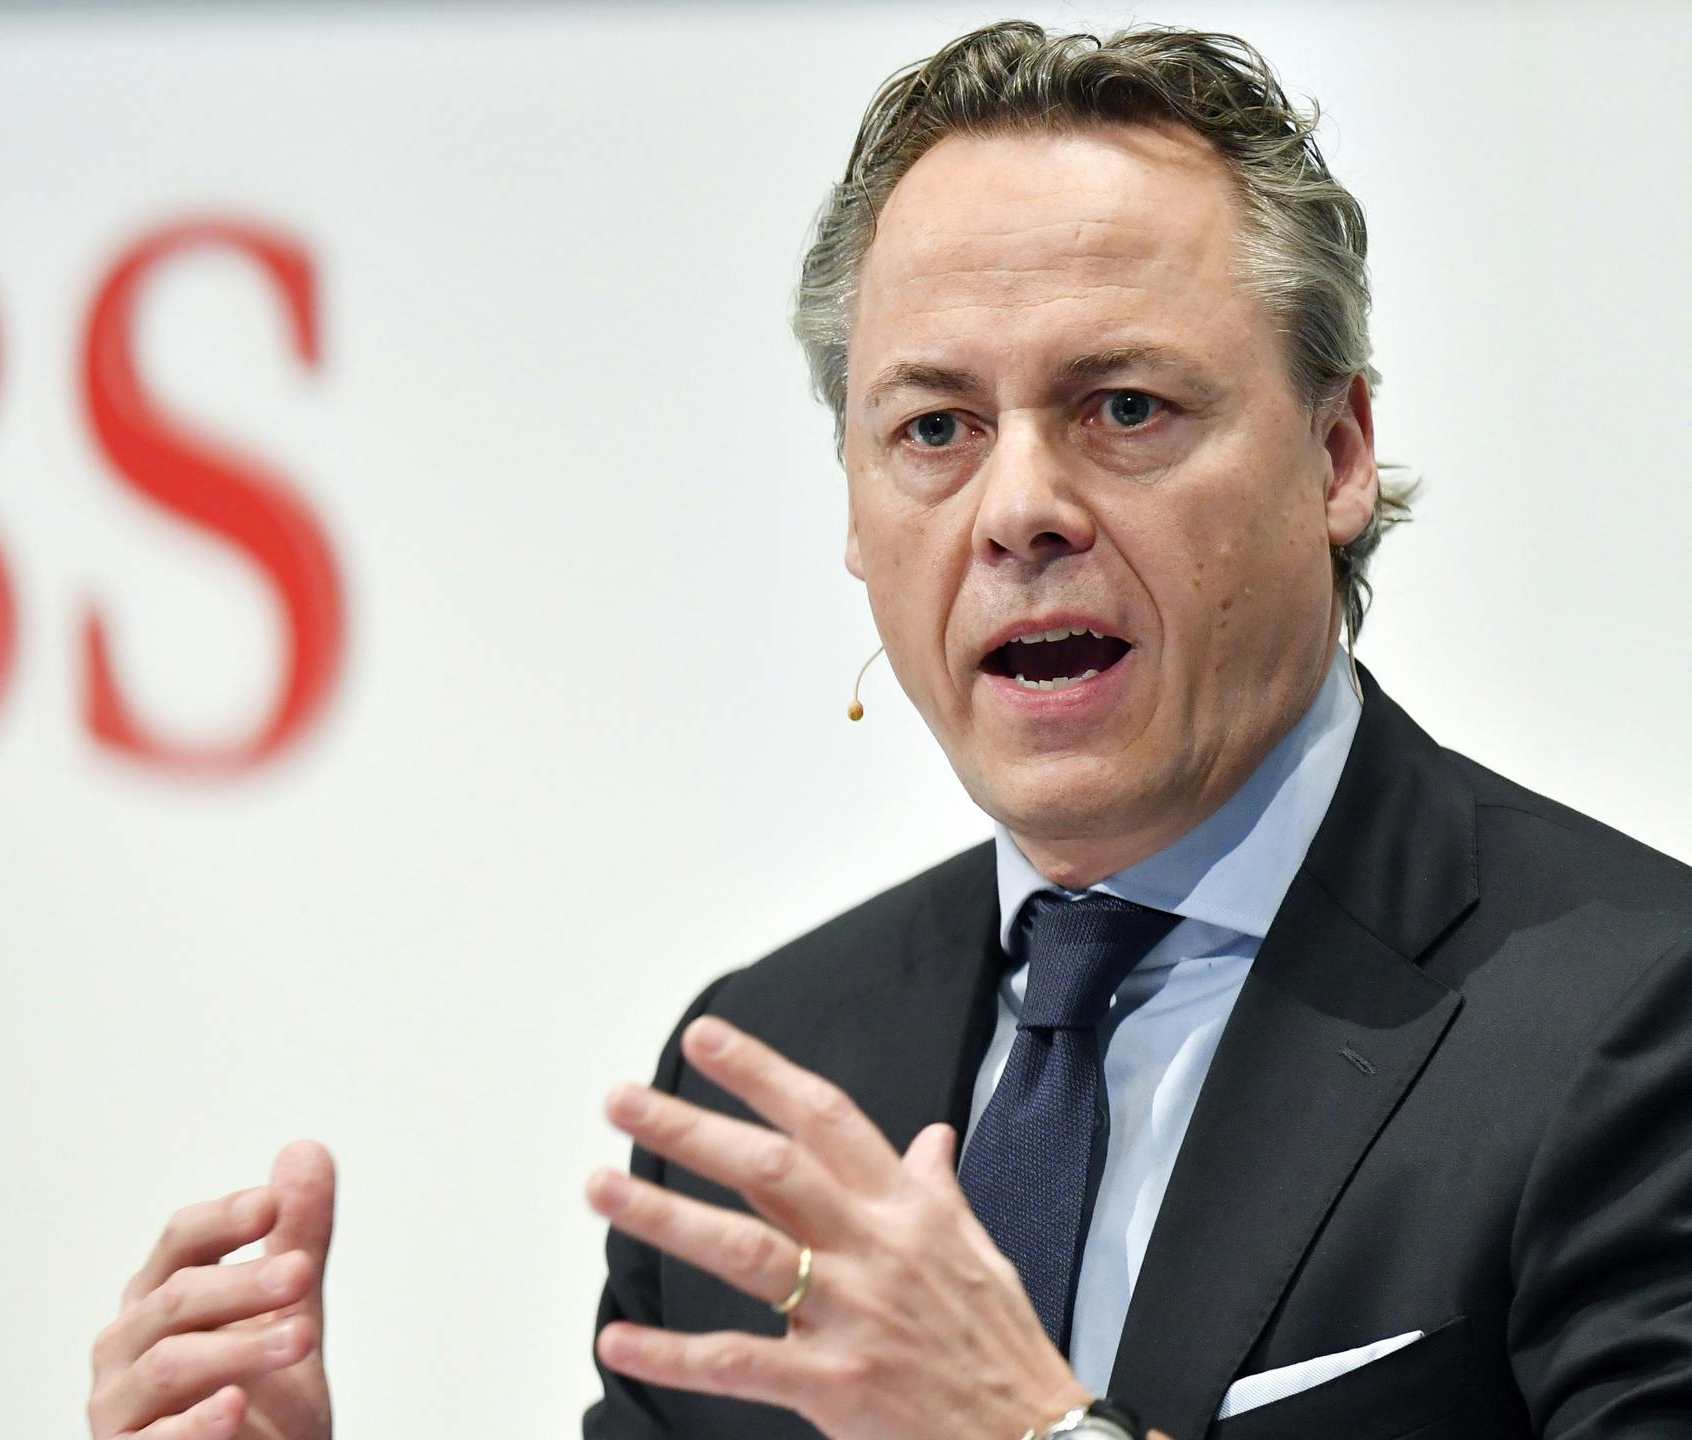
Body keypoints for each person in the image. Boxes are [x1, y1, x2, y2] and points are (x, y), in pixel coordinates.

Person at [83, 21, 1692, 1440]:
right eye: (936, 427)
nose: (1020, 508)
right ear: (854, 514)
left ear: (1337, 454)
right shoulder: (777, 1076)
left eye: (1126, 407)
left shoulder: (1633, 1021)